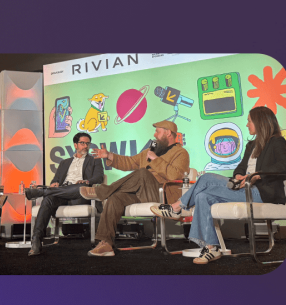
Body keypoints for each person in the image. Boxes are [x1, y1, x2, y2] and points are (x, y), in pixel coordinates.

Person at [151, 106, 286, 264]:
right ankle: (211, 248)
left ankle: (176, 207)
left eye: (249, 121)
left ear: (260, 122)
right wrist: (238, 176)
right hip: (243, 187)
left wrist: (256, 175)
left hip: (261, 192)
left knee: (206, 178)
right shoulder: (251, 145)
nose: (247, 124)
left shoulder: (277, 141)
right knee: (202, 196)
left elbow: (283, 166)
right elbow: (240, 167)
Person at [80, 120, 190, 257]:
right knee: (115, 198)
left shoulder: (181, 153)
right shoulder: (149, 151)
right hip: (141, 192)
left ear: (168, 133)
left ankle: (101, 191)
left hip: (162, 194)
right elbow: (130, 162)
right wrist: (109, 155)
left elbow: (175, 175)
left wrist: (155, 159)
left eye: (158, 131)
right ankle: (106, 243)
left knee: (143, 173)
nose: (155, 135)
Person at [27, 132, 105, 256]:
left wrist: (87, 181)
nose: (85, 146)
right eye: (82, 143)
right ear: (75, 144)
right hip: (63, 193)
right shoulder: (65, 162)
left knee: (79, 186)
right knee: (48, 199)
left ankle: (41, 191)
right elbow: (55, 180)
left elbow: (99, 177)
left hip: (81, 194)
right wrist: (55, 184)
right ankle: (36, 240)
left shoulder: (94, 160)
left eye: (87, 143)